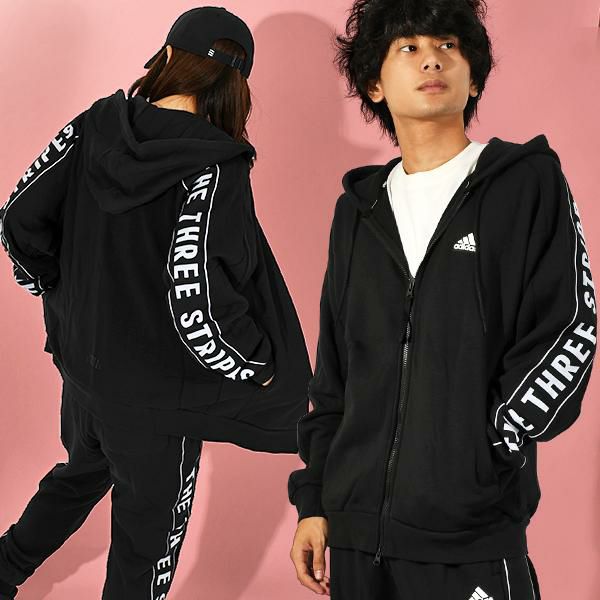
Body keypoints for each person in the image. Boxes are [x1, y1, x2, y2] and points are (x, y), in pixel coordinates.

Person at [0, 6, 312, 599]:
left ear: (167, 57)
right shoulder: (214, 167)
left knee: (76, 476)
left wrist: (58, 292)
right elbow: (199, 295)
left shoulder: (92, 125)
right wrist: (256, 366)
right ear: (234, 86)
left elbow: (17, 219)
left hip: (86, 374)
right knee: (145, 548)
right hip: (158, 402)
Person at [287, 0, 596, 598]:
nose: (432, 59)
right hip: (355, 540)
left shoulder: (526, 183)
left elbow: (568, 326)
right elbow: (336, 373)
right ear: (375, 85)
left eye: (448, 46)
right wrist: (315, 500)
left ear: (473, 77)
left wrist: (491, 443)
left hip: (471, 537)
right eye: (409, 47)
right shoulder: (358, 212)